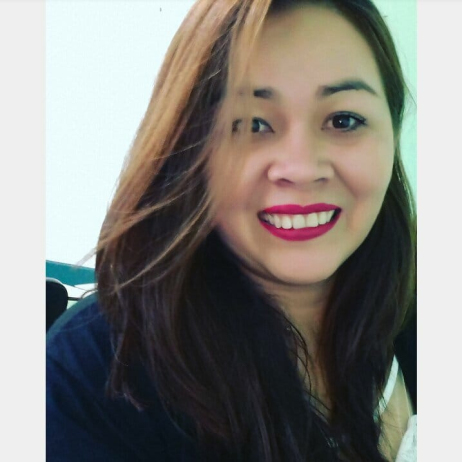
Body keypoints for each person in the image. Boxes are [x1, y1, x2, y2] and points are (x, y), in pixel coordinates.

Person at [46, 0, 417, 460]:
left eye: (344, 120)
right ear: (189, 148)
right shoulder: (91, 378)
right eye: (251, 123)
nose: (302, 168)